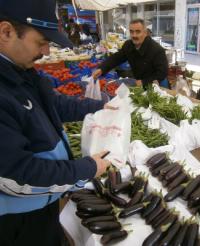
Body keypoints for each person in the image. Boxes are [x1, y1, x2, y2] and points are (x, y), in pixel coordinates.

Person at [0, 0, 112, 246]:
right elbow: (15, 176)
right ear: (6, 32)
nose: (47, 52)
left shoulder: (20, 71)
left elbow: (55, 105)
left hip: (42, 203)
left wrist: (100, 106)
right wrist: (84, 170)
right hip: (16, 223)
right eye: (41, 42)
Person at [93, 18, 169, 88]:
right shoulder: (128, 45)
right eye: (131, 32)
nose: (134, 35)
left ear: (145, 33)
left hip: (157, 85)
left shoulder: (157, 50)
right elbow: (116, 58)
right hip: (139, 81)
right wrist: (102, 69)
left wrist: (144, 82)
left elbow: (162, 73)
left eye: (138, 31)